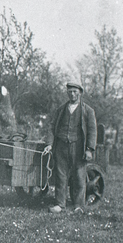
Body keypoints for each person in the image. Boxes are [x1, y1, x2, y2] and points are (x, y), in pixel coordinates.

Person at [44, 81, 97, 213]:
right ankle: (60, 205)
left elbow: (92, 130)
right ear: (67, 93)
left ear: (80, 93)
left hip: (78, 147)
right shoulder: (61, 110)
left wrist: (89, 149)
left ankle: (78, 206)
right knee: (60, 176)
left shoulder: (87, 111)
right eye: (70, 92)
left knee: (79, 177)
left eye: (75, 92)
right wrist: (49, 144)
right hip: (61, 147)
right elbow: (51, 126)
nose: (72, 94)